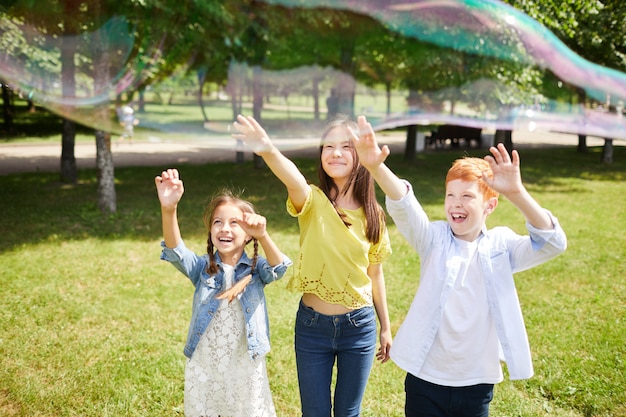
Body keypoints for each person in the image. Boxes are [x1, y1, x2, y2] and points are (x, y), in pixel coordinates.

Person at [350, 116, 567, 417]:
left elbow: (552, 243)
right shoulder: (434, 239)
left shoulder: (501, 246)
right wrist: (376, 167)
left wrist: (517, 193)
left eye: (467, 196)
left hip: (476, 382)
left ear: (490, 206)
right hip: (426, 379)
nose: (455, 204)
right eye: (450, 195)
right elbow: (404, 204)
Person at [232, 114, 393, 417]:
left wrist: (386, 327)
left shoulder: (374, 215)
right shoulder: (312, 200)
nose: (335, 153)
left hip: (359, 328)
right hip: (312, 328)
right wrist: (267, 148)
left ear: (361, 155)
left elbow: (375, 273)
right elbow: (291, 176)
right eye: (328, 146)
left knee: (348, 413)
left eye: (346, 146)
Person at [155, 168, 292, 417]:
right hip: (207, 360)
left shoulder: (255, 269)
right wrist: (169, 209)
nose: (224, 229)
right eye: (218, 222)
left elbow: (279, 267)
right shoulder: (202, 269)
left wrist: (264, 234)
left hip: (244, 362)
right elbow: (176, 251)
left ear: (248, 234)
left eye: (234, 223)